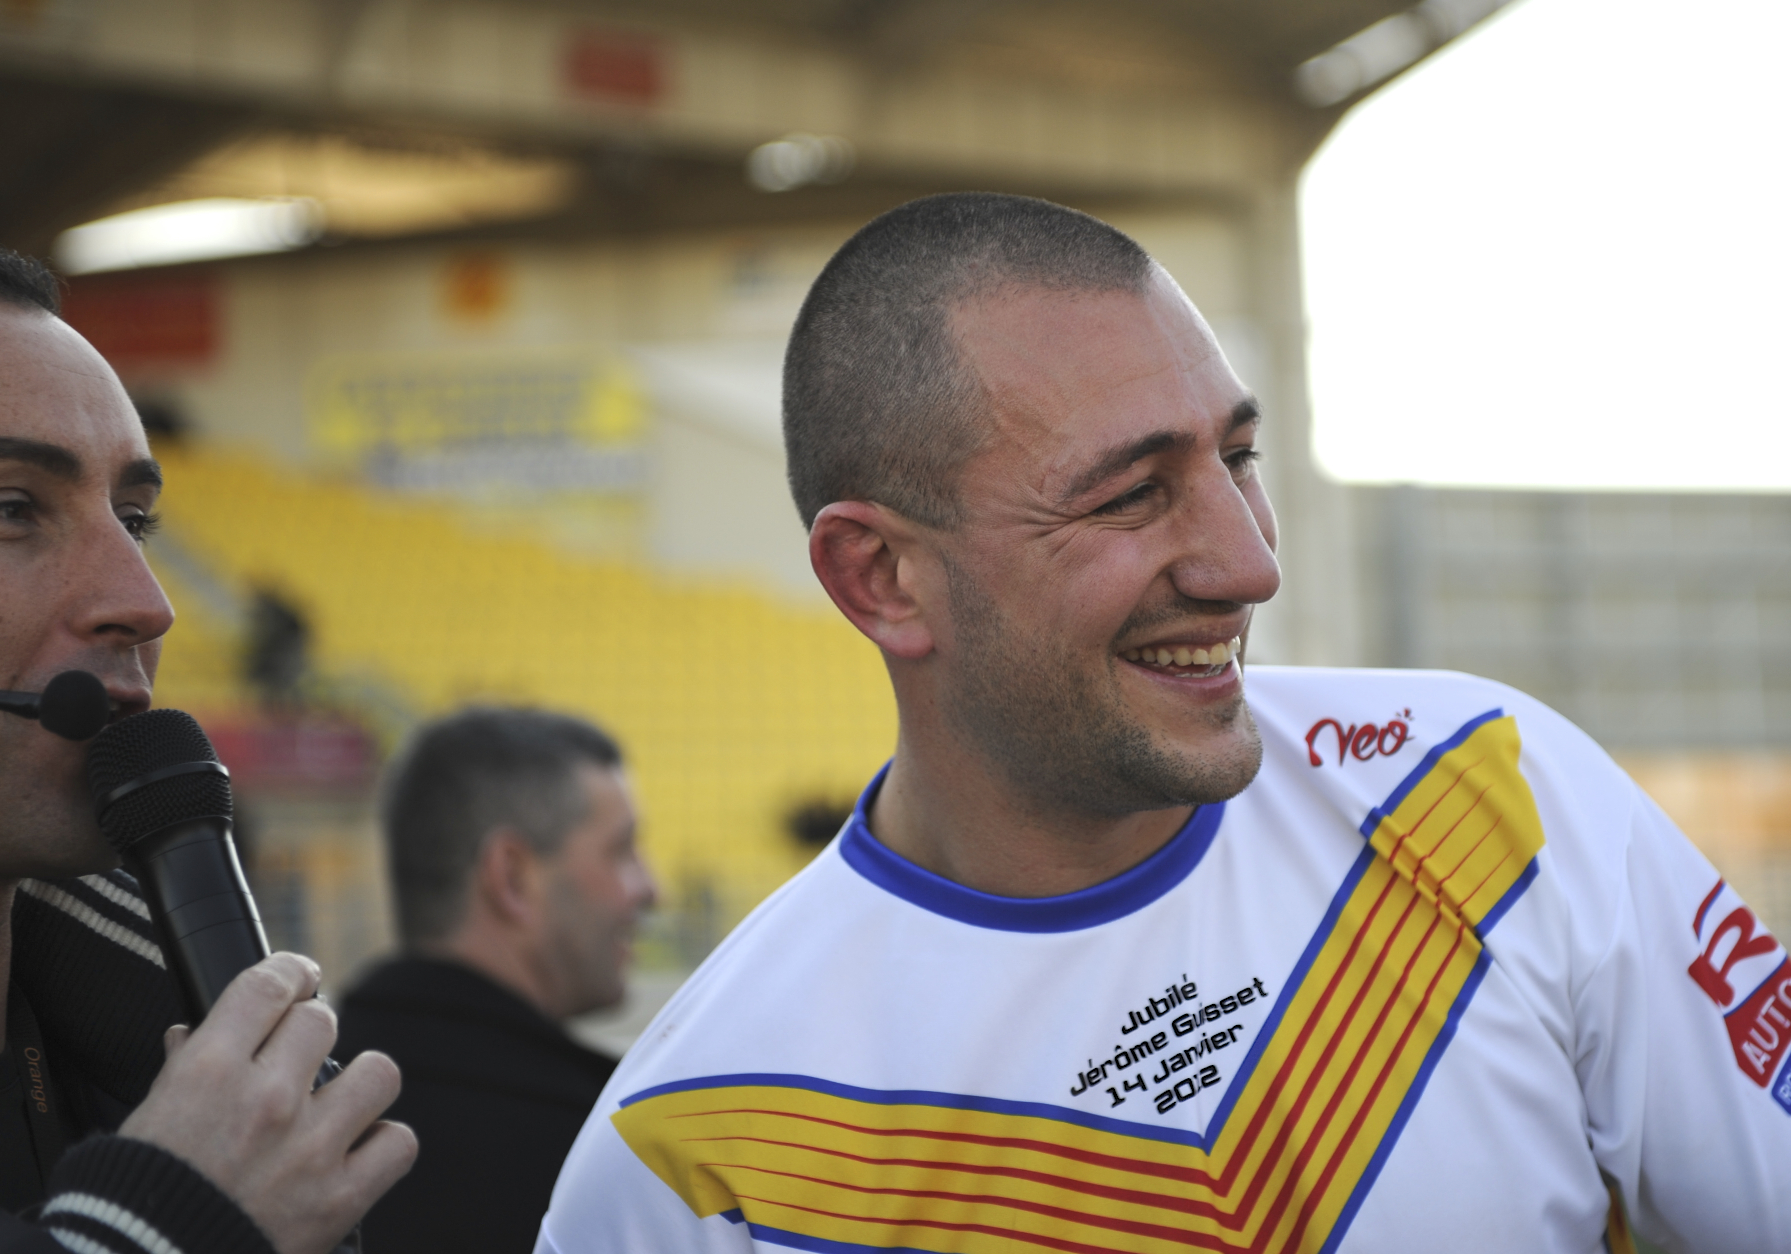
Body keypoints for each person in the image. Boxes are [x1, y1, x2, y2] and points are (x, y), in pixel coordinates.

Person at [538, 194, 1791, 1253]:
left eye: (1236, 459)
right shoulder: (689, 1152)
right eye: (1131, 495)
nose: (1247, 566)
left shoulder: (1484, 788)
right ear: (882, 578)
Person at [0, 249, 418, 1253]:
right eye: (9, 509)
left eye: (136, 520)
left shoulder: (138, 1035)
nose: (147, 603)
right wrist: (168, 1226)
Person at [335, 707, 657, 1254]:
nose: (650, 888)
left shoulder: (293, 1123)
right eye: (621, 850)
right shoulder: (601, 1151)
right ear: (512, 876)